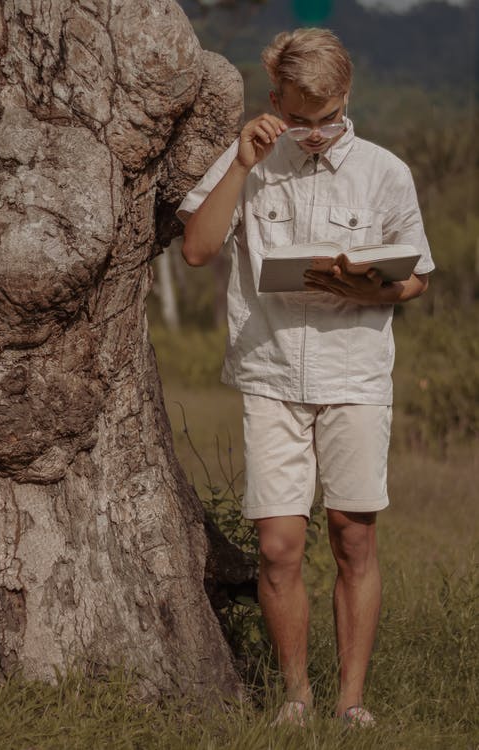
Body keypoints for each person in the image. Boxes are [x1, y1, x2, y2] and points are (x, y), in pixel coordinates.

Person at [177, 27, 434, 728]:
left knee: (354, 537)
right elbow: (198, 251)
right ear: (275, 102)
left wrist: (375, 291)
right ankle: (296, 696)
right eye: (300, 119)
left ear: (346, 98)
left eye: (327, 120)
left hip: (355, 374)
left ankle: (352, 701)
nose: (314, 134)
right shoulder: (251, 160)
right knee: (279, 546)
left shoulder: (385, 171)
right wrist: (240, 162)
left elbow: (415, 279)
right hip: (271, 373)